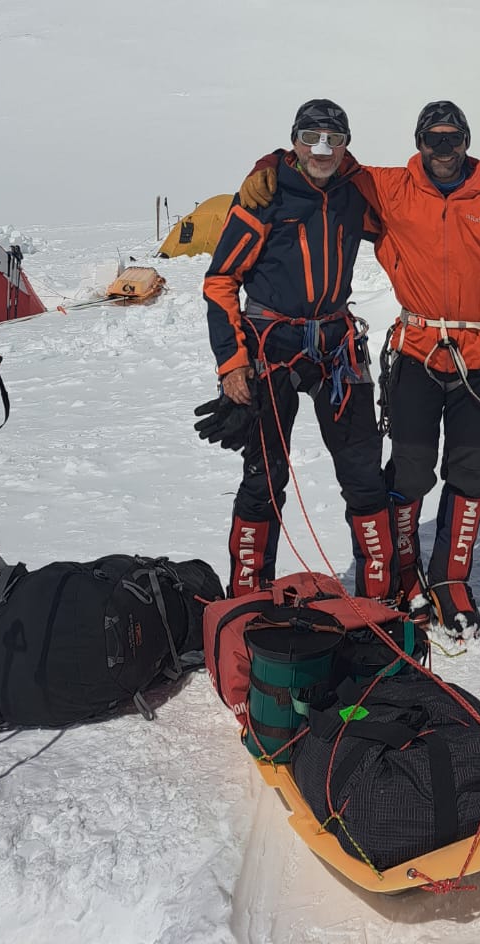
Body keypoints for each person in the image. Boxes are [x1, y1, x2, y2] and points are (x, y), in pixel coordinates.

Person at [240, 101, 480, 640]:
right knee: (409, 471)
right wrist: (268, 163)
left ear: (467, 141)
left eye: (452, 140)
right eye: (433, 140)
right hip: (418, 351)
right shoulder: (390, 189)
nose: (442, 151)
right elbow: (325, 162)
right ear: (418, 142)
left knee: (469, 473)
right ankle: (401, 574)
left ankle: (450, 580)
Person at [196, 99, 394, 601]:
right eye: (310, 138)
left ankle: (378, 595)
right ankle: (247, 594)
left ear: (348, 146)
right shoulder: (265, 196)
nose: (322, 150)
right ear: (294, 141)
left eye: (334, 139)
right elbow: (221, 281)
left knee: (362, 472)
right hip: (271, 344)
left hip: (335, 346)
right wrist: (232, 364)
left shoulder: (356, 191)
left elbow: (406, 208)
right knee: (265, 474)